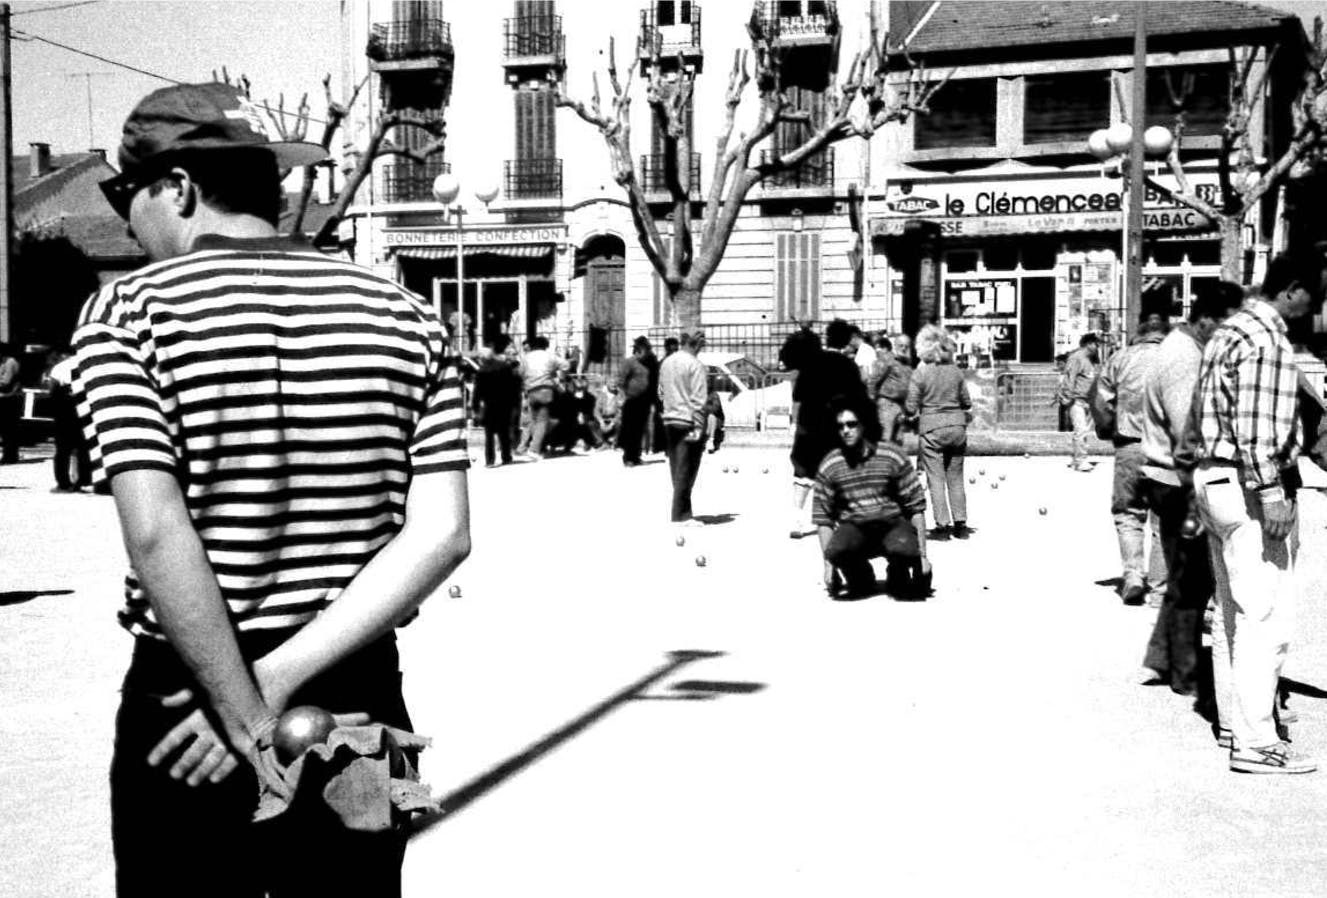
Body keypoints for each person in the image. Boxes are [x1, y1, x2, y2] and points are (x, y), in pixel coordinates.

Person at [73, 82, 472, 894]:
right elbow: (441, 535)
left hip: (189, 704)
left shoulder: (129, 312)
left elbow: (157, 531)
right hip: (357, 694)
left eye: (124, 195)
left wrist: (249, 714)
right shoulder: (407, 315)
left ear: (177, 187)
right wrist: (281, 679)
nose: (127, 222)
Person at [1191, 251, 1325, 774]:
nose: (1317, 307)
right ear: (1292, 289)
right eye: (1316, 294)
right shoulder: (1267, 338)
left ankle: (1235, 724)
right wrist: (1272, 493)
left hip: (1213, 477)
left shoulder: (1230, 330)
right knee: (1265, 615)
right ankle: (1256, 742)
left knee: (1233, 613)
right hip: (1249, 485)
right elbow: (1258, 428)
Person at [1138, 282, 1243, 705]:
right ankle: (1185, 672)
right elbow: (1190, 433)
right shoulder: (1185, 358)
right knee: (1194, 581)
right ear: (1207, 320)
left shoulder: (1184, 347)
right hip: (1176, 480)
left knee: (1188, 576)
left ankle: (1161, 658)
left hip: (1168, 477)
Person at [813, 398, 931, 600]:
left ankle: (899, 571)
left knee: (903, 557)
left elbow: (915, 507)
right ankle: (860, 576)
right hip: (855, 527)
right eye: (840, 426)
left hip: (892, 525)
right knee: (838, 550)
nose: (846, 431)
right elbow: (823, 517)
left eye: (851, 424)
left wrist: (922, 557)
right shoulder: (830, 465)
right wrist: (828, 565)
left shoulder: (892, 456)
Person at [1091, 315, 1169, 604]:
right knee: (1164, 520)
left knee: (1128, 514)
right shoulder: (1178, 359)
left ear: (1139, 334)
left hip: (1129, 444)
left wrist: (1107, 430)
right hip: (1168, 448)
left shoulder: (1120, 358)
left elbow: (1100, 399)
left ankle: (1133, 575)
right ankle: (1160, 589)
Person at [785, 320, 879, 539]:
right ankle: (834, 519)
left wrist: (794, 423)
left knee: (803, 473)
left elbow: (798, 397)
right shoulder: (849, 366)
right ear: (846, 341)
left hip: (808, 425)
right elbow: (857, 400)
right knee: (836, 471)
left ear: (827, 338)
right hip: (835, 427)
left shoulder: (810, 363)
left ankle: (796, 520)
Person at [905, 324, 972, 540]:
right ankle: (961, 524)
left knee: (935, 478)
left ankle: (942, 526)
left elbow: (911, 407)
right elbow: (966, 402)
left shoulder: (920, 373)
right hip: (957, 427)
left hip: (932, 427)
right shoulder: (955, 371)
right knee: (956, 477)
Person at [658, 331, 711, 525]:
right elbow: (699, 399)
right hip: (688, 420)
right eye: (702, 342)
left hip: (670, 419)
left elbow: (661, 392)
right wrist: (699, 425)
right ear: (696, 343)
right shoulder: (695, 365)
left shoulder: (667, 362)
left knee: (676, 467)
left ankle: (684, 512)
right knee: (687, 469)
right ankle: (681, 515)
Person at [472, 335, 522, 467]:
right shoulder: (505, 367)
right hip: (505, 403)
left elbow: (477, 392)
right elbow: (513, 387)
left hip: (489, 404)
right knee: (504, 431)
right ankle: (506, 457)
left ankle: (490, 460)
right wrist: (515, 403)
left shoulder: (482, 372)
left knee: (489, 434)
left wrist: (475, 407)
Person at [45, 349, 91, 490]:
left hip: (64, 407)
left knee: (63, 448)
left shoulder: (60, 367)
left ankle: (63, 482)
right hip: (84, 405)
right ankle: (83, 480)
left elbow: (52, 389)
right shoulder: (89, 365)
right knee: (84, 446)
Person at [516, 335, 565, 460]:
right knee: (542, 421)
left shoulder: (526, 358)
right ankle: (534, 449)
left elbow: (520, 373)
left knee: (534, 420)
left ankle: (529, 445)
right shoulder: (550, 356)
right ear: (546, 345)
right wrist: (555, 373)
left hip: (531, 390)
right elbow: (566, 365)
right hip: (545, 389)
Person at [1059, 333, 1100, 472]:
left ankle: (1076, 458)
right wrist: (1068, 396)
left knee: (1083, 431)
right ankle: (1080, 460)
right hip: (1076, 400)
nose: (1097, 347)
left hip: (1088, 400)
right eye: (1096, 344)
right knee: (1081, 430)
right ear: (1089, 344)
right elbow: (1070, 377)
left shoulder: (1090, 360)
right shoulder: (1076, 358)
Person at [617, 337, 653, 467]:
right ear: (638, 350)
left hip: (644, 400)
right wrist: (622, 397)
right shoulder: (629, 362)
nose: (647, 353)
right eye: (645, 350)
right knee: (630, 430)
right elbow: (621, 381)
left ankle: (636, 456)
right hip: (631, 400)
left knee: (639, 430)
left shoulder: (647, 364)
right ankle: (628, 458)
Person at [870, 335, 912, 444]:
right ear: (895, 346)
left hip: (901, 406)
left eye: (906, 346)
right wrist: (871, 402)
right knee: (885, 439)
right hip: (887, 404)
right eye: (901, 345)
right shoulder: (887, 359)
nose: (904, 348)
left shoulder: (907, 363)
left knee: (898, 441)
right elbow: (874, 380)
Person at [0, 341, 21, 464]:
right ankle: (8, 455)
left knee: (9, 429)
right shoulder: (3, 362)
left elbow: (6, 381)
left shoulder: (10, 362)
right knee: (4, 429)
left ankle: (10, 456)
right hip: (3, 397)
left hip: (9, 398)